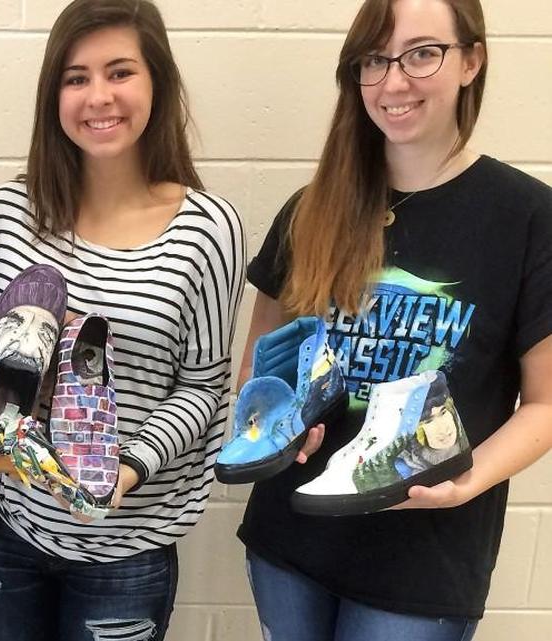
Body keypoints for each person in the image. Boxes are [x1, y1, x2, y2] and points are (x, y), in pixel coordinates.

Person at [236, 1, 552, 639]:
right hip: (290, 538)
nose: (394, 81)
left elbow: (546, 404)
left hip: (424, 561)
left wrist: (468, 481)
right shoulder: (311, 209)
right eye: (373, 60)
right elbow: (261, 361)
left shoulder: (527, 217)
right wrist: (270, 424)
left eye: (422, 53)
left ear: (472, 60)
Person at [0, 1, 246, 639]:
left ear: (157, 84)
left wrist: (131, 465)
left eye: (120, 72)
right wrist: (10, 368)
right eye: (76, 77)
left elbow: (204, 384)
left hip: (126, 549)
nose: (99, 97)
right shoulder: (9, 212)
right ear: (53, 95)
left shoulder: (208, 229)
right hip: (7, 526)